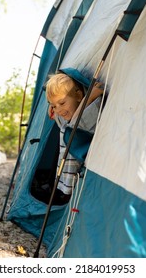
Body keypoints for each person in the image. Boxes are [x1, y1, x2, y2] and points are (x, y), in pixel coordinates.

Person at [45, 72, 103, 205]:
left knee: (73, 199)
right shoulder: (65, 118)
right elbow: (64, 118)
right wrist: (51, 106)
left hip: (77, 176)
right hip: (65, 173)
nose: (58, 110)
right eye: (54, 105)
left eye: (62, 103)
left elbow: (76, 121)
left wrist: (90, 96)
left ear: (78, 95)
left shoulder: (85, 119)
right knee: (64, 196)